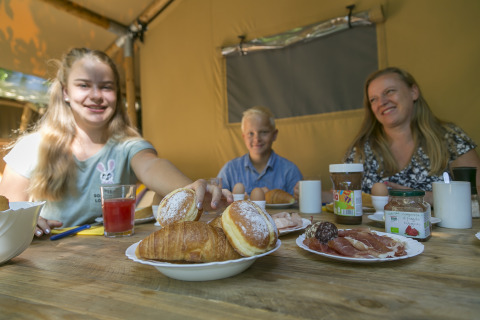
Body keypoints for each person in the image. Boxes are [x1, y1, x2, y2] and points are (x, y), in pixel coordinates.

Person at [0, 48, 231, 236]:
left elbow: (151, 165)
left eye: (106, 87)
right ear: (65, 93)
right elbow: (5, 213)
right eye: (83, 85)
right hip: (47, 266)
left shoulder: (127, 146)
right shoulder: (31, 148)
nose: (96, 95)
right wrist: (25, 224)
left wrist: (188, 189)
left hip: (112, 262)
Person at [344, 67, 480, 204]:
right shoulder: (361, 149)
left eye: (389, 91)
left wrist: (427, 197)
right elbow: (340, 197)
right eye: (373, 99)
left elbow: (476, 194)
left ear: (413, 92)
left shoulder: (450, 138)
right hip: (371, 226)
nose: (382, 102)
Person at [217, 106, 303, 197]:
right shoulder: (230, 170)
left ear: (274, 135)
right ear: (244, 137)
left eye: (264, 132)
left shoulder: (290, 171)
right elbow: (217, 201)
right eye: (251, 133)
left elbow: (299, 203)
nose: (257, 139)